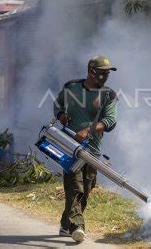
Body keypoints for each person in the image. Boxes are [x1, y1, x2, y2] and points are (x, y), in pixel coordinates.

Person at [53, 55, 118, 243]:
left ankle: (66, 224)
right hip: (69, 147)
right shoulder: (71, 87)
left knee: (86, 190)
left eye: (108, 73)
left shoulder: (108, 94)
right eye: (102, 73)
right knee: (75, 188)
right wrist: (61, 115)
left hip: (93, 150)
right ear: (91, 72)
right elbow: (57, 103)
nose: (106, 77)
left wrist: (87, 130)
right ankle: (77, 227)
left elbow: (110, 121)